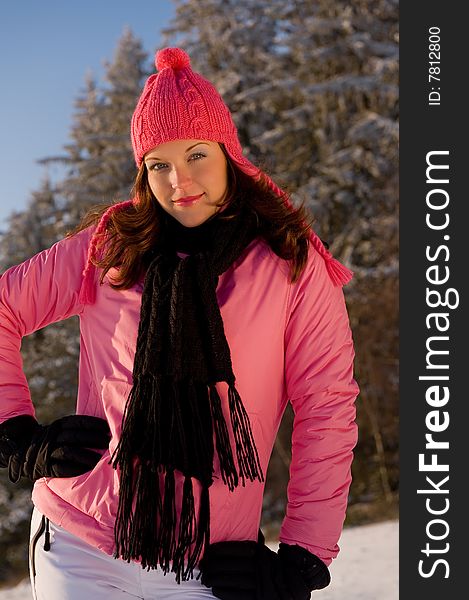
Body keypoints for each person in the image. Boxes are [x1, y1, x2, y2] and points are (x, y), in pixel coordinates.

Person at [0, 47, 359, 600]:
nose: (179, 181)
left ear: (228, 153)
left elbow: (327, 405)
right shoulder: (112, 246)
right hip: (80, 544)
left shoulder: (290, 263)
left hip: (212, 564)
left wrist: (302, 557)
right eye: (158, 164)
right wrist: (16, 434)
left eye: (196, 156)